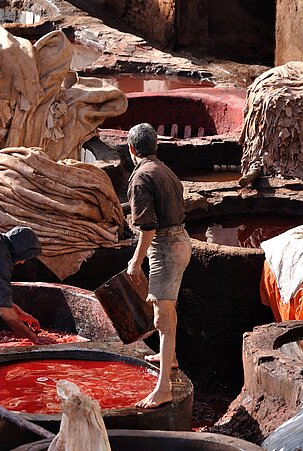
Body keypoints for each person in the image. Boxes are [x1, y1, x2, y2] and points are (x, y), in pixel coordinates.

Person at [126, 123, 192, 409]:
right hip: (182, 241)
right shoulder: (166, 171)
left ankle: (163, 388)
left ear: (131, 149)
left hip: (164, 247)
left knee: (162, 321)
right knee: (167, 309)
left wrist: (136, 260)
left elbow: (148, 228)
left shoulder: (141, 177)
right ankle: (171, 358)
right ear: (156, 146)